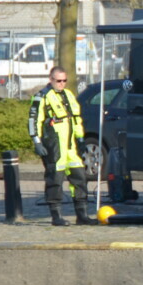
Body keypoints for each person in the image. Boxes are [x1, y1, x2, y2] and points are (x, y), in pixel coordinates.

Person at [29, 66, 96, 226]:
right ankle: (56, 216)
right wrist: (37, 142)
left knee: (80, 178)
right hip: (54, 145)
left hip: (71, 147)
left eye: (64, 80)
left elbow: (76, 119)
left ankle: (82, 215)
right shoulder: (41, 97)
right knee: (55, 179)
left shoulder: (69, 95)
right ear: (51, 79)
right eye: (58, 81)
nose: (62, 84)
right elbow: (33, 121)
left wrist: (80, 139)